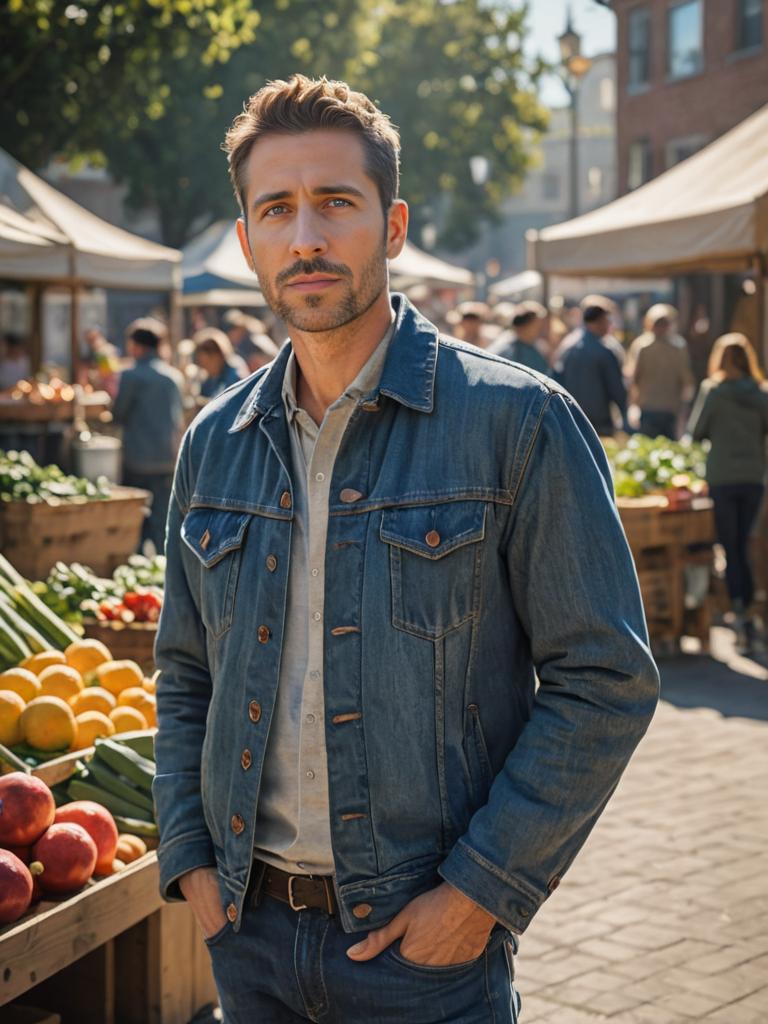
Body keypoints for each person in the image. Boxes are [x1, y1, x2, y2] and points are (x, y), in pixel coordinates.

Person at [153, 74, 658, 1024]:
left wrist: (479, 896)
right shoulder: (212, 443)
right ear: (247, 238)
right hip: (247, 940)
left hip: (422, 953)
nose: (306, 236)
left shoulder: (518, 422)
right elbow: (185, 673)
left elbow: (605, 677)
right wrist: (187, 854)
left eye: (335, 203)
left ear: (392, 227)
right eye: (277, 209)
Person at [687, 333, 768, 652]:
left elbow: (696, 431)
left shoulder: (714, 391)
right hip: (753, 475)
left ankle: (739, 609)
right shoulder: (761, 393)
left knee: (730, 545)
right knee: (747, 543)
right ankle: (748, 609)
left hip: (722, 475)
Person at [112, 318, 184, 553]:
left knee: (136, 520)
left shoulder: (132, 375)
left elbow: (119, 414)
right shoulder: (173, 377)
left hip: (138, 458)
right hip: (167, 458)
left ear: (137, 345)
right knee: (163, 520)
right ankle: (164, 572)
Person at [553, 301, 629, 436]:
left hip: (571, 417)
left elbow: (556, 379)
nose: (609, 325)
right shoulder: (604, 350)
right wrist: (624, 416)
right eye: (607, 321)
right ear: (598, 322)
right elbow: (616, 387)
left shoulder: (567, 345)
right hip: (599, 421)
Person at [626, 304, 694, 439]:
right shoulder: (643, 347)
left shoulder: (677, 347)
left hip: (667, 409)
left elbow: (686, 381)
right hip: (650, 408)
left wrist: (684, 408)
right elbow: (632, 377)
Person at [490, 301, 551, 376]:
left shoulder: (536, 346)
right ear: (524, 325)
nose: (541, 329)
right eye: (537, 325)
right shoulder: (506, 350)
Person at [193, 328, 248, 399]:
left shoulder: (235, 374)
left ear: (218, 356)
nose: (204, 367)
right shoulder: (209, 379)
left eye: (206, 363)